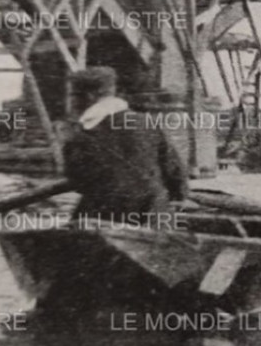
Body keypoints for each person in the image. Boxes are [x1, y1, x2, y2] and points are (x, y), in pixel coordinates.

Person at [62, 67, 188, 227]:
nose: (71, 101)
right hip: (154, 210)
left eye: (73, 95)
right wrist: (179, 198)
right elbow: (175, 170)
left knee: (77, 223)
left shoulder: (83, 133)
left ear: (89, 96)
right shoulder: (147, 122)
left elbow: (77, 181)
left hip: (109, 213)